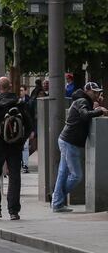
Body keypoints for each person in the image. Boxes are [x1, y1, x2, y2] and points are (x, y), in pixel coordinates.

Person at [51, 82, 106, 212]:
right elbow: (85, 115)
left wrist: (95, 107)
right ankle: (57, 198)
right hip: (70, 142)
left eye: (98, 92)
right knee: (76, 176)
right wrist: (99, 111)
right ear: (87, 91)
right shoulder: (82, 100)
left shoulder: (82, 100)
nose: (97, 94)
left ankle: (57, 203)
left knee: (63, 174)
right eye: (95, 92)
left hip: (67, 140)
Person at [0, 77, 31, 220]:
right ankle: (14, 211)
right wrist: (21, 140)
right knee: (15, 175)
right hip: (15, 144)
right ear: (10, 86)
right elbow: (28, 124)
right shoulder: (19, 102)